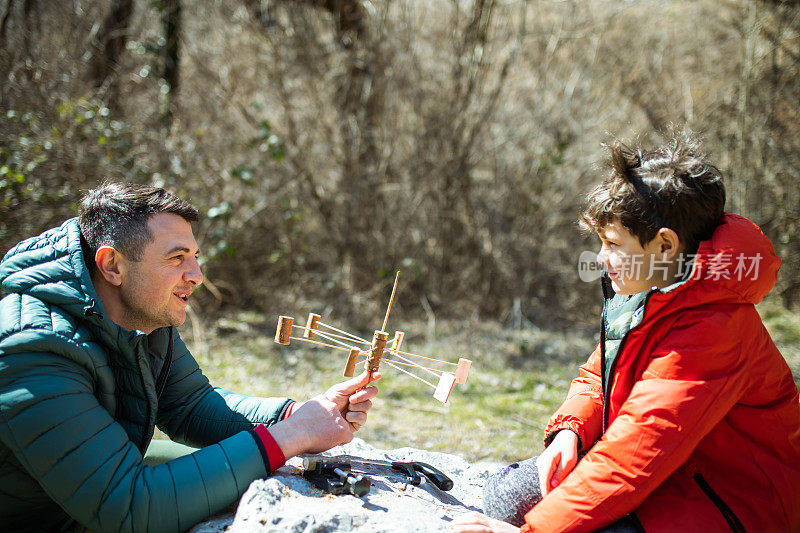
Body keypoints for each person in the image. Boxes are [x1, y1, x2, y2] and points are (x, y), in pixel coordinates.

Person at [453, 132, 800, 532]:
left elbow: (632, 457)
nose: (600, 258)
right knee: (505, 496)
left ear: (665, 246)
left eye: (613, 243)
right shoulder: (655, 289)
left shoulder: (715, 331)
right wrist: (570, 432)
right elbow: (599, 375)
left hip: (731, 504)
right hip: (669, 473)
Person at [0, 182, 380, 532]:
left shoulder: (143, 313)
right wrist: (294, 436)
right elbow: (130, 505)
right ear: (112, 265)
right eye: (177, 258)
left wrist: (294, 415)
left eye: (195, 256)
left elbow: (190, 404)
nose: (197, 275)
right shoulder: (31, 348)